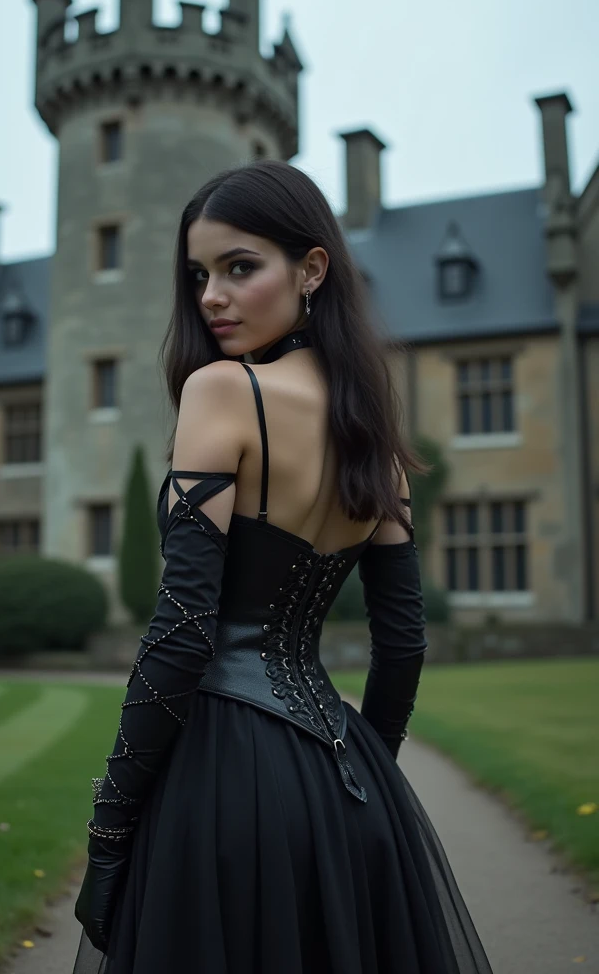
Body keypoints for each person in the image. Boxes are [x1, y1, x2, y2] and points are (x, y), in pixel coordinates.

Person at [72, 160, 493, 973]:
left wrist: (111, 827)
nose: (210, 297)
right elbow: (401, 645)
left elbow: (185, 633)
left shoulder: (221, 391)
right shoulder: (376, 442)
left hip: (222, 770)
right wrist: (361, 775)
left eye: (239, 267)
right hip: (345, 769)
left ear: (311, 269)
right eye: (200, 274)